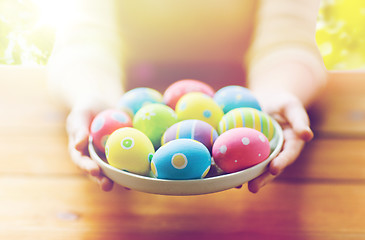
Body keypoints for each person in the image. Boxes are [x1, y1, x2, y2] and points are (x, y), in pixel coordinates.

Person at [47, 0, 327, 193]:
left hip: (242, 96)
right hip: (128, 103)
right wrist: (93, 94)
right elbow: (83, 36)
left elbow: (288, 36)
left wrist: (278, 93)